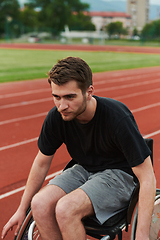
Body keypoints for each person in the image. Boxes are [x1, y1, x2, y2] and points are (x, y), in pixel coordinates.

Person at [2, 56, 156, 240]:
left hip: (120, 175)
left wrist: (142, 234)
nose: (62, 106)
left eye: (70, 97)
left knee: (66, 208)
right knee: (40, 204)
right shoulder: (56, 117)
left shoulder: (117, 117)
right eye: (56, 97)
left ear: (89, 91)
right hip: (84, 169)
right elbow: (41, 164)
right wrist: (21, 209)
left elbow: (147, 176)